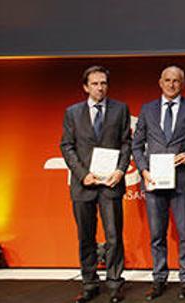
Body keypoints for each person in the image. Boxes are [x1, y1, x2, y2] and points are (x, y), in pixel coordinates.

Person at [59, 65, 131, 303]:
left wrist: (121, 170)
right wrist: (82, 174)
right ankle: (89, 282)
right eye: (95, 84)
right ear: (85, 87)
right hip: (84, 185)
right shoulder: (72, 112)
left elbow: (126, 144)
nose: (100, 87)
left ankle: (114, 282)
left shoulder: (120, 109)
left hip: (110, 183)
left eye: (103, 83)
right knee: (86, 236)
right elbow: (67, 146)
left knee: (113, 236)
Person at [132, 66, 185, 300]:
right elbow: (136, 144)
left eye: (176, 81)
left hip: (182, 180)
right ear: (160, 82)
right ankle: (159, 279)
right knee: (157, 234)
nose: (172, 84)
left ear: (183, 84)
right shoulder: (147, 109)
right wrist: (143, 170)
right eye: (168, 80)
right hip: (154, 181)